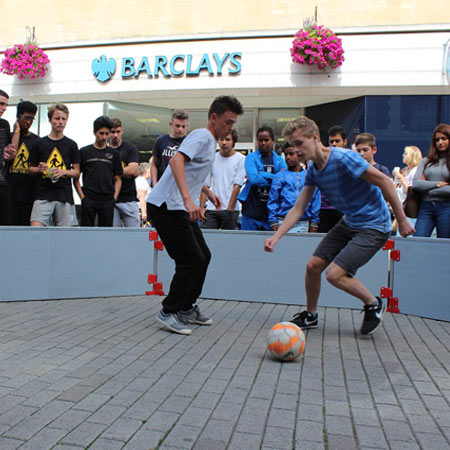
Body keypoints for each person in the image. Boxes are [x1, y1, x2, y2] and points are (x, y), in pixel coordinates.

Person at [264, 116, 414, 336]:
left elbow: (384, 181)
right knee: (313, 267)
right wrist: (277, 237)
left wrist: (401, 220)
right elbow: (298, 208)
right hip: (350, 221)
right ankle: (311, 314)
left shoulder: (344, 159)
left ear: (315, 138)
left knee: (334, 274)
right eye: (292, 146)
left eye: (299, 143)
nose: (295, 151)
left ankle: (373, 303)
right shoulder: (313, 170)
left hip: (374, 225)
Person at [147, 95, 243, 335]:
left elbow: (191, 172)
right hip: (165, 205)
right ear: (214, 118)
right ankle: (169, 312)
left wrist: (207, 194)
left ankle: (186, 307)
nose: (231, 128)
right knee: (190, 259)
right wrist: (189, 200)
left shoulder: (210, 142)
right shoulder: (201, 136)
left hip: (179, 205)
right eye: (228, 122)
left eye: (233, 124)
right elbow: (177, 162)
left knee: (203, 256)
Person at [28, 104, 80, 227]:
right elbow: (30, 169)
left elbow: (77, 172)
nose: (60, 122)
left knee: (65, 234)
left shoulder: (71, 144)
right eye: (57, 118)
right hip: (43, 194)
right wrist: (39, 169)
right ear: (50, 120)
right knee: (35, 228)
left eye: (63, 119)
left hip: (64, 195)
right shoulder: (39, 143)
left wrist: (64, 172)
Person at [74, 116, 123, 227]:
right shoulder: (84, 151)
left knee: (106, 235)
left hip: (107, 199)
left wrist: (114, 198)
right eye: (101, 133)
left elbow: (118, 179)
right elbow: (76, 177)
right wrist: (82, 197)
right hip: (88, 198)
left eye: (107, 133)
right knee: (86, 232)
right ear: (94, 132)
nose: (104, 137)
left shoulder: (114, 154)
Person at [238, 125, 287, 230]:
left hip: (271, 214)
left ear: (272, 141)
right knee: (247, 244)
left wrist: (262, 174)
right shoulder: (251, 158)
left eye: (266, 140)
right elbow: (254, 179)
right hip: (251, 212)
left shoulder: (280, 160)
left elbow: (283, 180)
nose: (263, 143)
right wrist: (275, 178)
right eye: (260, 140)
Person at [267, 143, 321, 233]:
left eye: (291, 154)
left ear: (300, 155)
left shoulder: (309, 176)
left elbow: (315, 199)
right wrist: (273, 221)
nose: (288, 157)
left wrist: (314, 222)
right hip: (283, 221)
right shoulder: (280, 176)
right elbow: (273, 199)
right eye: (286, 154)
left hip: (303, 222)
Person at [201, 130, 245, 230]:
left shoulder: (240, 159)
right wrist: (201, 208)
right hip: (212, 209)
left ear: (234, 142)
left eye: (227, 139)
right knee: (208, 240)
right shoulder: (212, 158)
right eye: (221, 139)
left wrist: (229, 210)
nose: (224, 142)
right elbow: (205, 185)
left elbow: (237, 186)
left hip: (230, 210)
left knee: (227, 242)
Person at [413, 124, 450, 238]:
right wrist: (438, 184)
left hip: (446, 207)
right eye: (437, 139)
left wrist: (428, 188)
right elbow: (416, 184)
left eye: (444, 139)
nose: (440, 142)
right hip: (426, 207)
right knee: (418, 240)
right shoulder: (426, 161)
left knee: (443, 245)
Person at [8, 101, 39, 225]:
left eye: (32, 119)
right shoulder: (7, 137)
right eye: (26, 118)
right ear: (18, 116)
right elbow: (12, 153)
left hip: (29, 194)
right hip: (9, 193)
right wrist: (16, 131)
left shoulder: (37, 141)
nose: (28, 122)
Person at [109, 118, 140, 227]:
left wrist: (111, 172)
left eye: (118, 132)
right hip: (110, 199)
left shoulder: (130, 148)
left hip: (129, 198)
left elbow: (134, 169)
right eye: (113, 132)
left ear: (122, 131)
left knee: (134, 235)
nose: (115, 135)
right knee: (112, 237)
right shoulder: (105, 150)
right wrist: (124, 172)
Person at [150, 109, 189, 187]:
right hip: (162, 185)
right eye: (177, 126)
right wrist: (155, 184)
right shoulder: (161, 140)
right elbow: (154, 164)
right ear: (171, 124)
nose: (180, 129)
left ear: (187, 126)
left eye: (183, 126)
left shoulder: (189, 142)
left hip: (180, 187)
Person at [318, 126, 346, 232]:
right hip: (323, 210)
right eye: (331, 141)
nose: (334, 144)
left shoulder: (351, 160)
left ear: (345, 142)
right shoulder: (322, 160)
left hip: (342, 209)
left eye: (337, 141)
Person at [0, 90, 16, 225]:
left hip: (2, 182)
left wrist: (9, 154)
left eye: (5, 105)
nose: (4, 108)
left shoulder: (4, 124)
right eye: (1, 104)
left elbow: (7, 153)